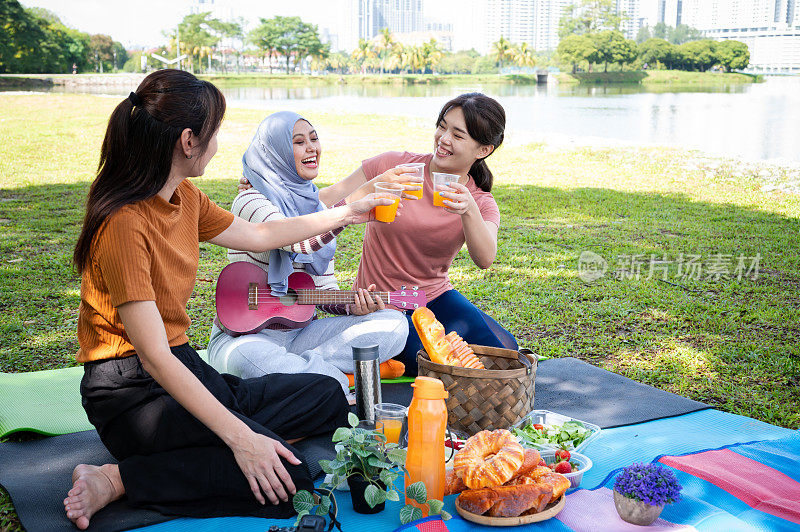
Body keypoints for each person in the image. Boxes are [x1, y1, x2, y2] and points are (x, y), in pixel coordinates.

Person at [62, 69, 392, 529]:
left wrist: (346, 212)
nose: (219, 145)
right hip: (132, 394)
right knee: (290, 484)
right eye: (213, 132)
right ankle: (118, 479)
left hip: (186, 366)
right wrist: (242, 439)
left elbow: (261, 234)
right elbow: (155, 358)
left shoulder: (186, 198)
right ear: (188, 141)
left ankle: (215, 440)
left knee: (329, 396)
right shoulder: (124, 223)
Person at [241, 93, 518, 375]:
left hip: (433, 296)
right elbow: (322, 201)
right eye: (442, 126)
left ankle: (395, 355)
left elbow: (485, 258)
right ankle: (382, 360)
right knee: (432, 362)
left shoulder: (480, 202)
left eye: (458, 135)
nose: (443, 139)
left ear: (482, 150)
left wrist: (468, 209)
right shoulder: (393, 167)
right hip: (380, 300)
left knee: (507, 353)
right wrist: (267, 188)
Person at [207, 111, 409, 393]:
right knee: (248, 360)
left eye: (314, 139)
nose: (312, 147)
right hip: (245, 338)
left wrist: (353, 306)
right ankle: (332, 378)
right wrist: (347, 215)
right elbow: (294, 240)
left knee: (395, 325)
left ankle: (308, 374)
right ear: (274, 153)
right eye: (299, 142)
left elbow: (325, 291)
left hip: (301, 335)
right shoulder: (250, 200)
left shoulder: (317, 209)